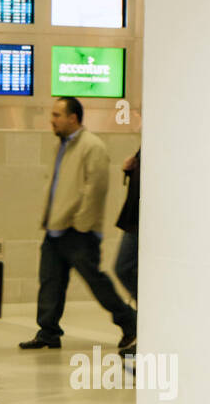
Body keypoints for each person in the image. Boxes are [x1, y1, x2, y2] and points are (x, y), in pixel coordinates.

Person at [19, 98, 137, 356]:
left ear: (73, 118)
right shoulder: (61, 146)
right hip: (56, 228)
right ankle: (48, 332)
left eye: (57, 114)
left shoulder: (92, 146)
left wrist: (82, 225)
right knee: (50, 281)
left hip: (78, 232)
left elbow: (95, 189)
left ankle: (130, 322)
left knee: (96, 282)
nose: (52, 119)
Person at [114, 146, 139, 303]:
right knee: (123, 268)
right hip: (134, 218)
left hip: (139, 220)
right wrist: (128, 170)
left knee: (123, 267)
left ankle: (147, 305)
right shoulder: (144, 145)